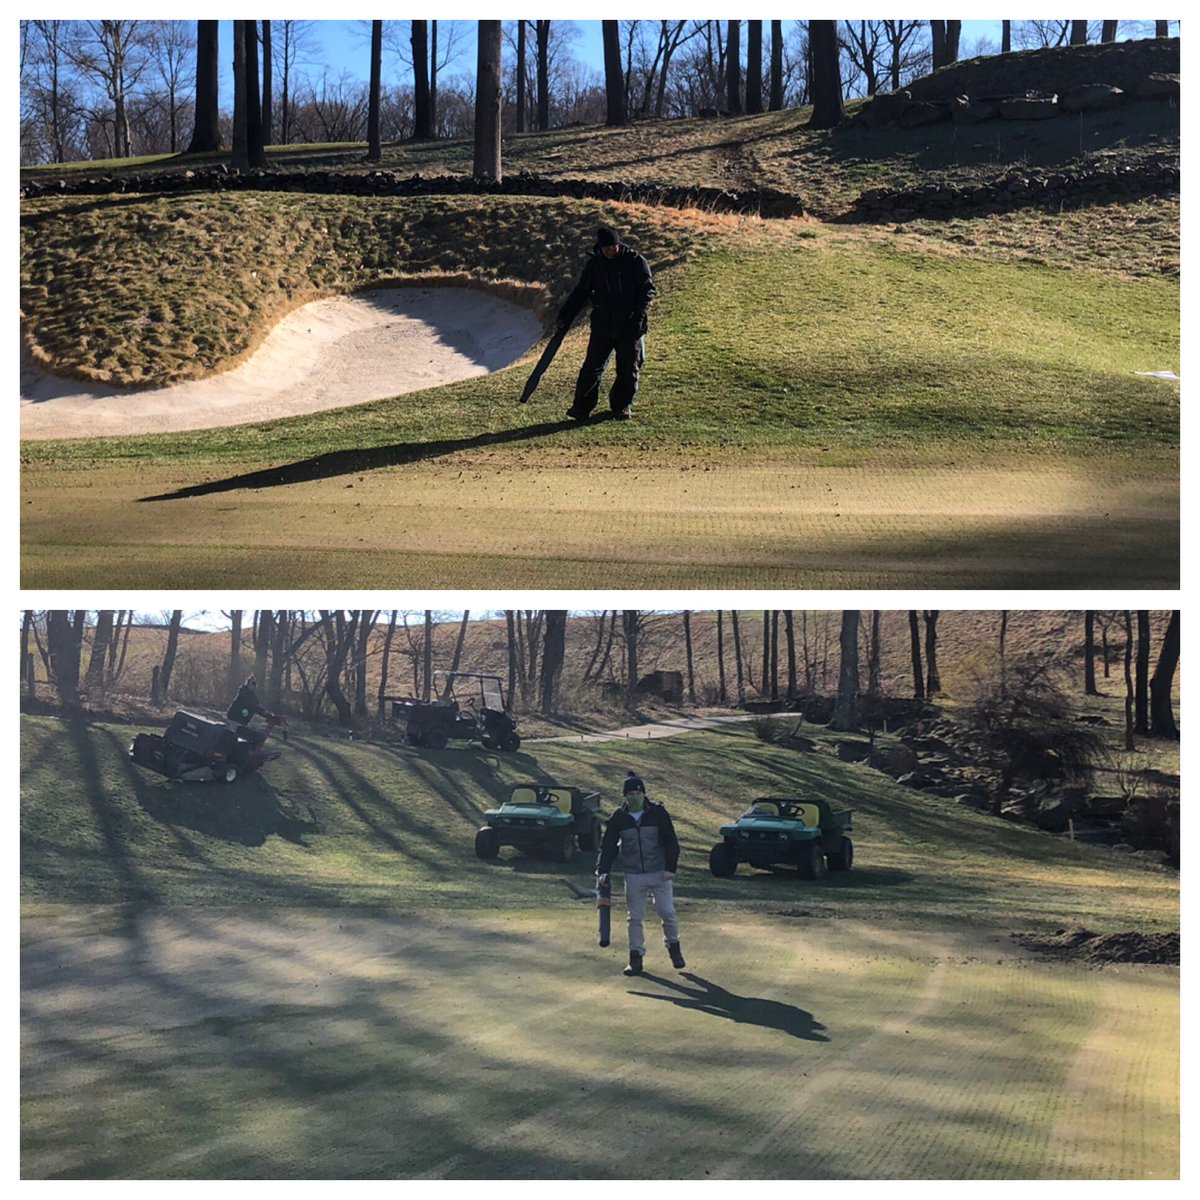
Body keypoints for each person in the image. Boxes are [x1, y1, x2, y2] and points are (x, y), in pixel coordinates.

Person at [557, 225, 656, 422]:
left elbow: (648, 290)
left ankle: (621, 406)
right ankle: (581, 408)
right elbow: (581, 292)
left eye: (613, 247)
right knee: (591, 368)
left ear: (618, 244)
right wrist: (566, 314)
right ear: (599, 248)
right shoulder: (595, 265)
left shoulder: (635, 261)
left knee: (628, 369)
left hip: (630, 325)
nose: (610, 251)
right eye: (606, 248)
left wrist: (639, 314)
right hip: (603, 324)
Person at [596, 771, 686, 976]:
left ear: (644, 794)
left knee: (667, 912)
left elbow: (671, 841)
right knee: (634, 918)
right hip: (634, 873)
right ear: (625, 796)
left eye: (638, 792)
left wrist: (671, 867)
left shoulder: (658, 813)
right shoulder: (619, 818)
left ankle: (674, 948)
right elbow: (608, 845)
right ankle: (635, 959)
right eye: (630, 793)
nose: (634, 796)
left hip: (660, 872)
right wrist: (603, 870)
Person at [226, 674, 274, 748]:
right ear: (248, 683)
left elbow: (257, 706)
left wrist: (266, 713)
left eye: (255, 684)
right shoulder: (244, 693)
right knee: (256, 738)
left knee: (254, 735)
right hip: (235, 722)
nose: (254, 686)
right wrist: (266, 714)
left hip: (241, 722)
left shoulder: (250, 694)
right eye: (253, 683)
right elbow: (254, 706)